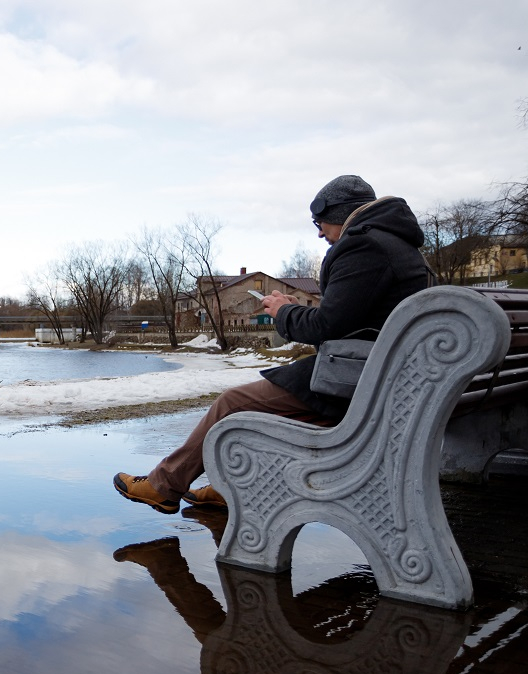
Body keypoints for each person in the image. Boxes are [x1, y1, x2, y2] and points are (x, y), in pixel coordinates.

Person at [114, 174, 432, 513]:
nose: (319, 231)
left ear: (339, 213)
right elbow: (352, 318)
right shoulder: (402, 247)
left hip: (363, 388)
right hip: (392, 382)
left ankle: (165, 485)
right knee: (263, 408)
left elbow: (326, 326)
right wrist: (292, 308)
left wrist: (283, 312)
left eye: (319, 221)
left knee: (233, 404)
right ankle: (230, 485)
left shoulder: (364, 245)